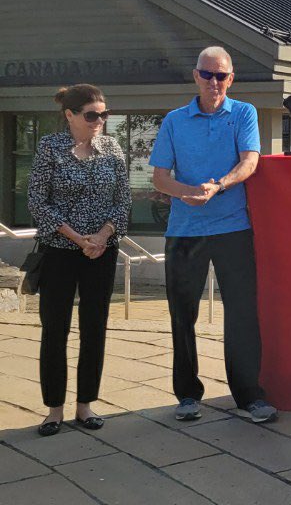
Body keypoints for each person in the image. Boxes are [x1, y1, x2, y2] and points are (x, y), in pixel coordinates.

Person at [149, 46, 276, 423]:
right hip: (184, 232)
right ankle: (188, 395)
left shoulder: (244, 113)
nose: (214, 82)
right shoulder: (174, 120)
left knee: (242, 313)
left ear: (231, 79)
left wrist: (218, 186)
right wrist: (188, 192)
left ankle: (249, 396)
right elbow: (159, 178)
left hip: (233, 228)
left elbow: (250, 161)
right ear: (196, 76)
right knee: (182, 315)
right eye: (207, 74)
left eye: (221, 76)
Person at [27, 84, 130, 436]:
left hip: (102, 251)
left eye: (104, 114)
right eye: (91, 115)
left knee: (94, 328)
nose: (99, 120)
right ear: (69, 115)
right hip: (59, 251)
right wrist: (76, 237)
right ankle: (54, 409)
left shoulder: (112, 148)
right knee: (55, 329)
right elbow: (38, 201)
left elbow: (123, 202)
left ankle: (85, 405)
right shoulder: (50, 147)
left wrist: (102, 236)